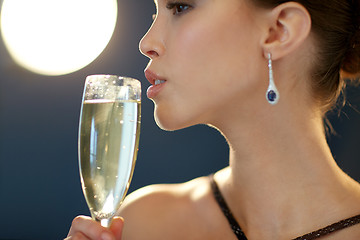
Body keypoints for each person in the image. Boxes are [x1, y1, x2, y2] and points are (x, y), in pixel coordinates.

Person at [66, 0, 360, 239]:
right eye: (156, 12)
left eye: (180, 7)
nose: (147, 42)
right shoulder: (143, 224)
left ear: (278, 30)